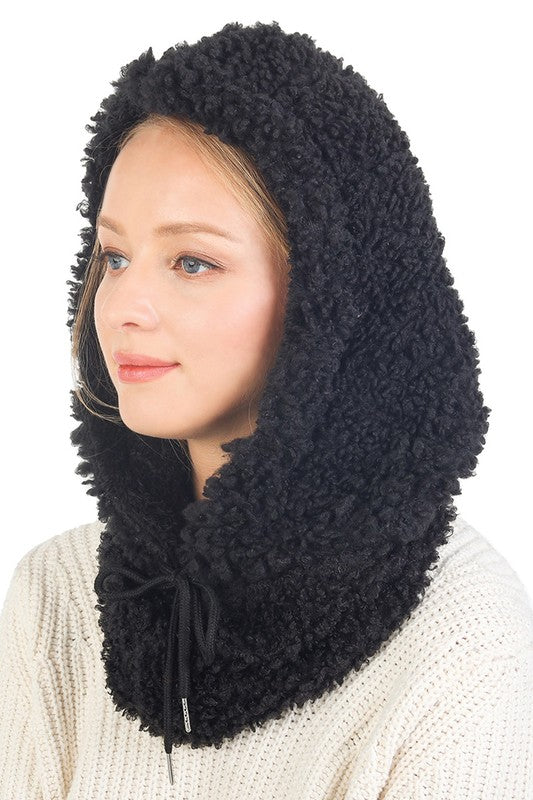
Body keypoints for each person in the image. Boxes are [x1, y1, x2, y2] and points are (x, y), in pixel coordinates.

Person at [0, 19, 531, 799]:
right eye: (114, 256)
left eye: (192, 261)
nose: (120, 308)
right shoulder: (58, 593)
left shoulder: (459, 634)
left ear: (330, 295)